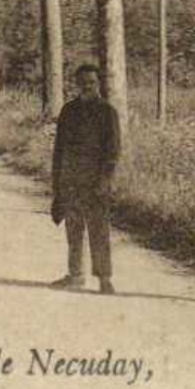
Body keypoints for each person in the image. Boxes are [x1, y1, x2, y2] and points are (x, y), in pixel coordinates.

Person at [50, 63, 120, 294]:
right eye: (82, 83)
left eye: (91, 82)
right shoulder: (68, 111)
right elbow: (59, 149)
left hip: (95, 182)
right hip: (71, 180)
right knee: (73, 230)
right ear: (76, 85)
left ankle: (104, 278)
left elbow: (113, 151)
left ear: (98, 83)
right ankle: (76, 275)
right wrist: (57, 183)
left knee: (99, 230)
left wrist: (104, 180)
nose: (86, 86)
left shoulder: (107, 112)